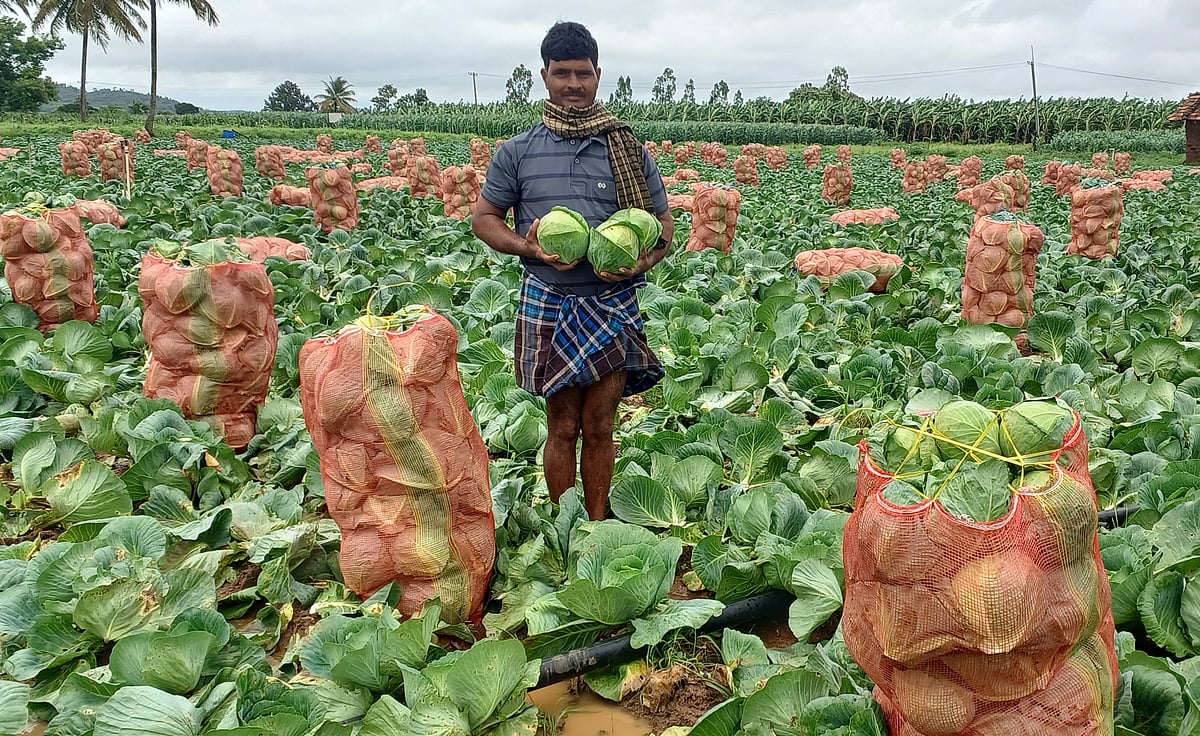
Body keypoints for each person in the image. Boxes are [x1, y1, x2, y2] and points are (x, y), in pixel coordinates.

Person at [472, 21, 673, 521]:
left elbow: (663, 222)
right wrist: (530, 248)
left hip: (613, 299)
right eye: (562, 73)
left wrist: (642, 259)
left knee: (601, 422)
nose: (573, 85)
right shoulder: (517, 151)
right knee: (561, 424)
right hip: (549, 296)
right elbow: (483, 219)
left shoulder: (627, 148)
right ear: (545, 75)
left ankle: (598, 520)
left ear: (598, 74)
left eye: (582, 73)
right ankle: (566, 524)